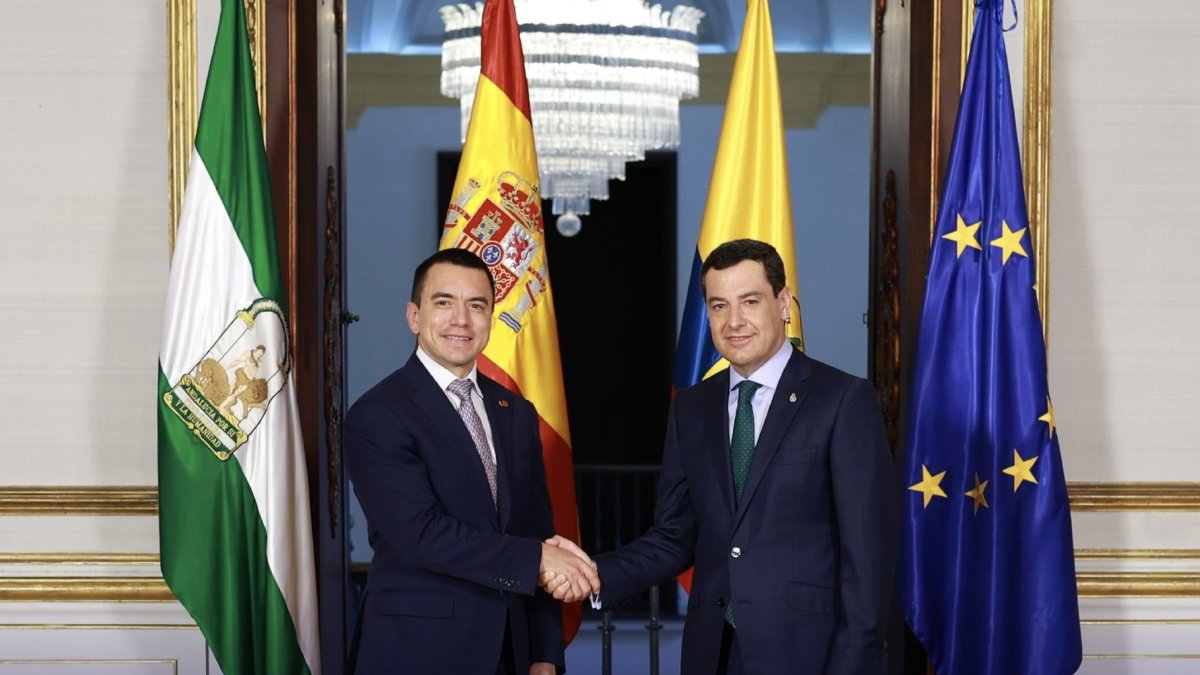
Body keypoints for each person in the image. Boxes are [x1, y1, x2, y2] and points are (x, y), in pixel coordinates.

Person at [548, 239, 897, 674]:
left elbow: (869, 559)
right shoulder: (692, 408)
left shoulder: (843, 400)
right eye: (718, 306)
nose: (734, 322)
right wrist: (594, 572)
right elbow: (675, 535)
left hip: (810, 654)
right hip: (712, 650)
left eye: (749, 301)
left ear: (784, 303)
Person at [345, 248, 598, 675]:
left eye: (476, 305)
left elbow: (536, 531)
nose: (461, 320)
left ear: (490, 318)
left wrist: (545, 653)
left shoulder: (515, 412)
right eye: (444, 303)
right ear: (414, 316)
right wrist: (537, 560)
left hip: (511, 652)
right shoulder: (378, 413)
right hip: (417, 652)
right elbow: (418, 534)